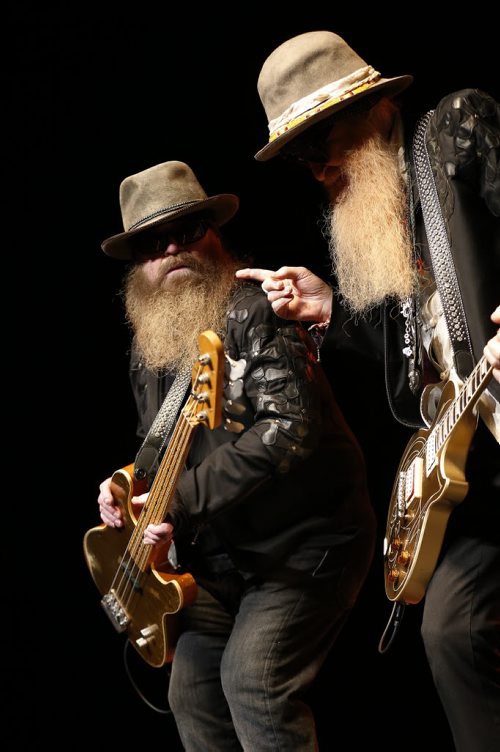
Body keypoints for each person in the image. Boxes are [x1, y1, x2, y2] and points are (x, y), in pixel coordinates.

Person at [236, 31, 500, 752]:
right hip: (476, 470)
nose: (318, 167)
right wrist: (330, 310)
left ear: (383, 109)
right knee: (453, 631)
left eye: (325, 138)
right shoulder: (379, 227)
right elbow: (413, 359)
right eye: (301, 156)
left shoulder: (457, 132)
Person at [95, 159, 376, 751]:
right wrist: (127, 488)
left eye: (188, 230)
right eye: (153, 242)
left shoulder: (254, 313)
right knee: (190, 690)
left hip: (309, 542)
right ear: (138, 266)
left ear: (214, 235)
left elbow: (290, 427)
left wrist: (179, 499)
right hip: (225, 562)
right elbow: (159, 449)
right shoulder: (147, 348)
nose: (173, 248)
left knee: (254, 683)